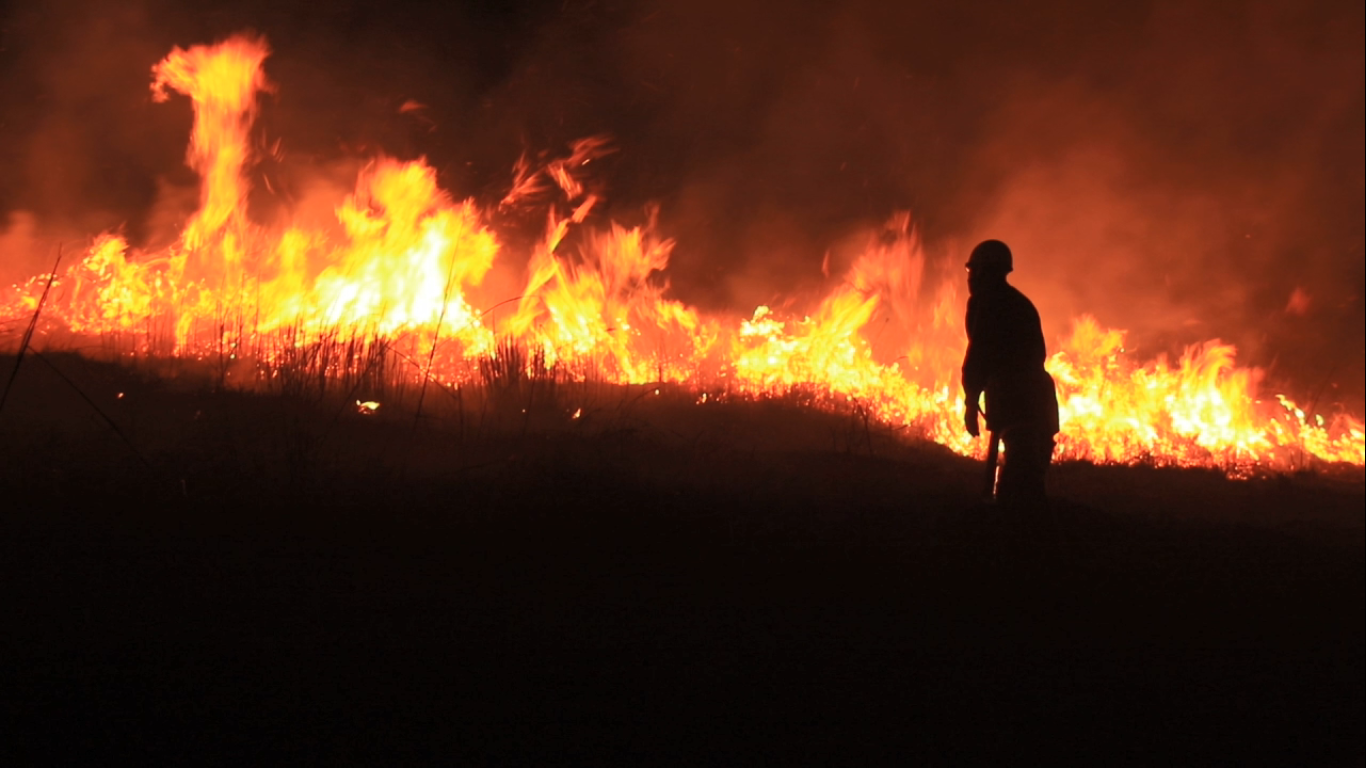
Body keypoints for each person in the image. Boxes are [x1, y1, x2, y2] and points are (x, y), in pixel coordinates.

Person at [961, 239, 1059, 507]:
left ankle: (1012, 534)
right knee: (1030, 478)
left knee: (1018, 485)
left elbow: (979, 355)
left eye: (972, 272)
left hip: (1017, 397)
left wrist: (971, 403)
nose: (970, 279)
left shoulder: (988, 303)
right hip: (1039, 395)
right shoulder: (1019, 302)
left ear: (982, 272)